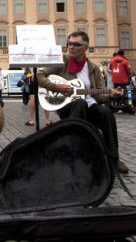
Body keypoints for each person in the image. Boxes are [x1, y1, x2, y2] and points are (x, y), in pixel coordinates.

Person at [37, 30, 129, 174]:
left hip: (89, 105)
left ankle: (113, 159)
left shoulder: (93, 69)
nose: (71, 47)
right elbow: (39, 75)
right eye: (69, 44)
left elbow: (99, 96)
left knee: (105, 112)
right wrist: (56, 87)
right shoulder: (62, 62)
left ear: (85, 48)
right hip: (68, 106)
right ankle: (72, 155)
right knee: (81, 104)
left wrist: (111, 96)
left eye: (76, 44)